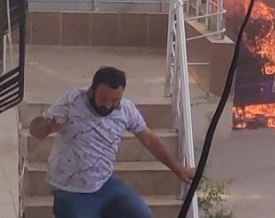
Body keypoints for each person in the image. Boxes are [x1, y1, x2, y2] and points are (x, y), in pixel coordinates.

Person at [29, 66, 195, 218]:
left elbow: (149, 140)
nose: (108, 105)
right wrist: (46, 126)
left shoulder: (126, 109)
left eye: (115, 100)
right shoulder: (72, 101)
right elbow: (34, 130)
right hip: (70, 189)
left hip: (104, 184)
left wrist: (177, 168)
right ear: (93, 90)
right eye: (103, 98)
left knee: (143, 215)